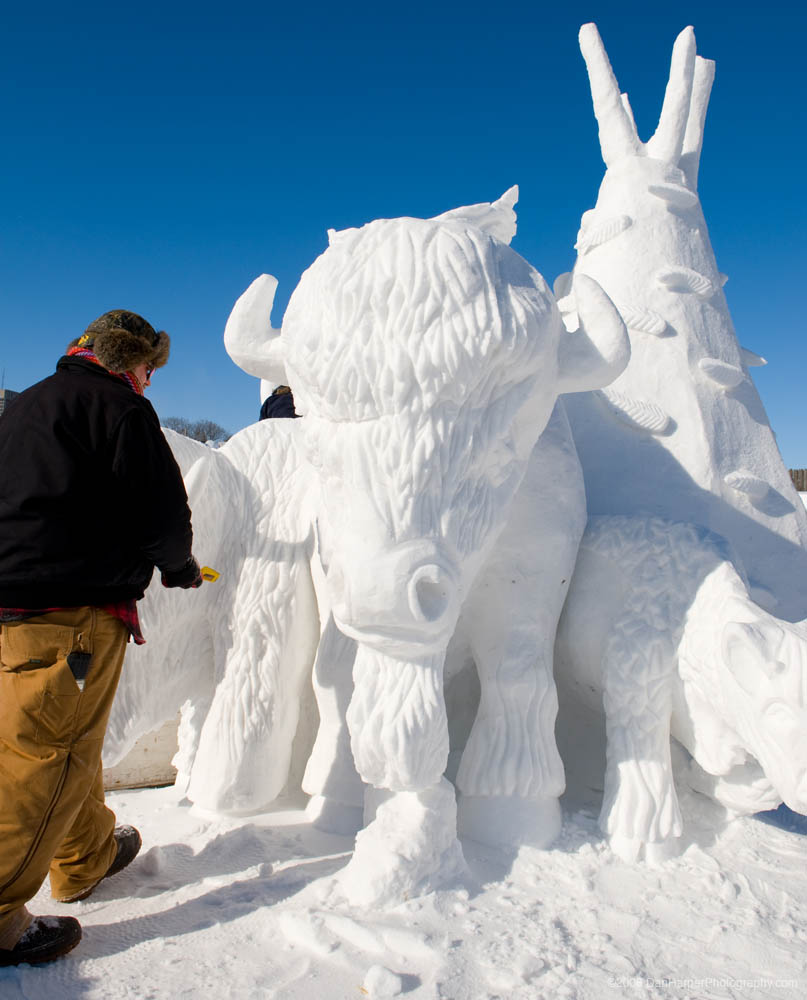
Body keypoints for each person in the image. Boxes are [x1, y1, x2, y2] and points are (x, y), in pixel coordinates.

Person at [0, 310, 203, 966]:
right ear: (127, 359)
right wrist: (178, 566)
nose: (150, 380)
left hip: (14, 610)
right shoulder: (120, 409)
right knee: (46, 757)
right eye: (149, 367)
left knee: (66, 740)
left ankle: (86, 855)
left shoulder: (27, 404)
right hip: (70, 617)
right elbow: (162, 511)